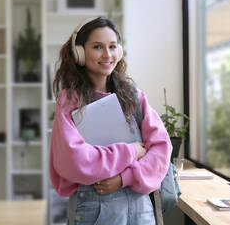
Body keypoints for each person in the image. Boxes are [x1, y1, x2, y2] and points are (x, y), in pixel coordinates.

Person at [49, 16, 172, 225]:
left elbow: (161, 150)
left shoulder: (134, 96)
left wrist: (124, 179)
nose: (107, 55)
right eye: (97, 47)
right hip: (94, 214)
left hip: (140, 213)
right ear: (80, 52)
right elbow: (76, 162)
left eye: (112, 46)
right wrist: (131, 151)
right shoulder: (70, 101)